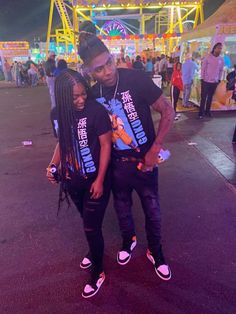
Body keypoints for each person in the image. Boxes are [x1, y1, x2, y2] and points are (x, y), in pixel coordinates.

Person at [78, 32, 175, 282]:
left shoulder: (136, 79)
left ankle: (156, 250)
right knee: (121, 208)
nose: (108, 71)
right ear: (90, 71)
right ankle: (128, 240)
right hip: (117, 166)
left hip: (145, 162)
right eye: (99, 69)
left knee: (152, 210)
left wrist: (155, 149)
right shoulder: (93, 93)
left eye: (109, 62)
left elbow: (167, 110)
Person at [46, 69, 112, 298]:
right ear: (64, 97)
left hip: (95, 181)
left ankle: (98, 271)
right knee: (87, 222)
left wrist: (101, 180)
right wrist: (52, 165)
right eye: (75, 97)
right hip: (72, 181)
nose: (81, 99)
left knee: (91, 226)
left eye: (83, 94)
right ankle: (94, 252)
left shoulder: (96, 111)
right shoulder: (57, 115)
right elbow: (62, 143)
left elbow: (106, 145)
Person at [199, 42, 224, 119]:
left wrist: (219, 79)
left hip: (215, 81)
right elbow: (203, 68)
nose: (220, 50)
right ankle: (201, 113)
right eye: (218, 48)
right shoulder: (208, 57)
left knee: (210, 97)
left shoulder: (221, 59)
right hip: (206, 81)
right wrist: (202, 78)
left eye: (221, 48)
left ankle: (207, 111)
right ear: (214, 48)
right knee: (203, 97)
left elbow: (221, 70)